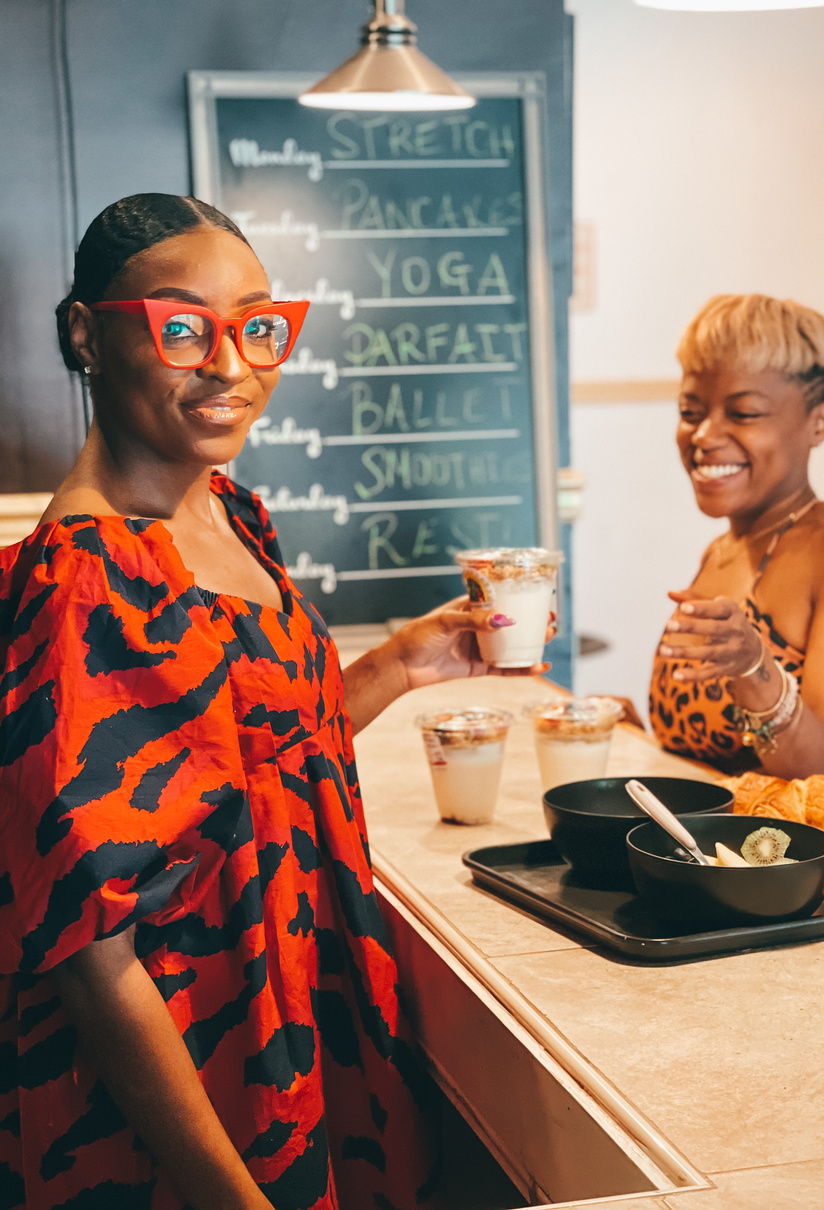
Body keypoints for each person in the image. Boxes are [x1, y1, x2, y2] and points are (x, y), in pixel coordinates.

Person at [0, 193, 551, 1210]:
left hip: (298, 1009)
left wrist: (396, 664)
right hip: (191, 1076)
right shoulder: (89, 577)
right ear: (85, 334)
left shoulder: (228, 512)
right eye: (180, 328)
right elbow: (93, 954)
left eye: (257, 327)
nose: (230, 365)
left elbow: (243, 770)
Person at [648, 293, 824, 794]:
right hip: (724, 860)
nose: (704, 434)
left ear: (819, 423)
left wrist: (754, 667)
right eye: (690, 410)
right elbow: (718, 766)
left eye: (743, 413)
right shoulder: (720, 553)